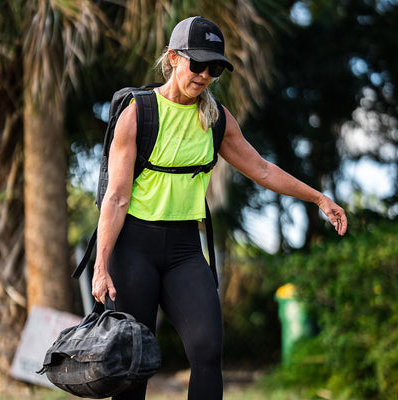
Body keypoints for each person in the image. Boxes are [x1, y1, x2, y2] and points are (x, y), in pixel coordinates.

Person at [91, 16, 347, 400]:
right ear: (173, 58)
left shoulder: (215, 120)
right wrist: (101, 265)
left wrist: (319, 198)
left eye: (214, 69)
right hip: (133, 248)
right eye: (198, 64)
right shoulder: (137, 114)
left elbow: (260, 169)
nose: (205, 75)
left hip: (184, 250)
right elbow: (116, 196)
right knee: (134, 360)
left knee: (208, 350)